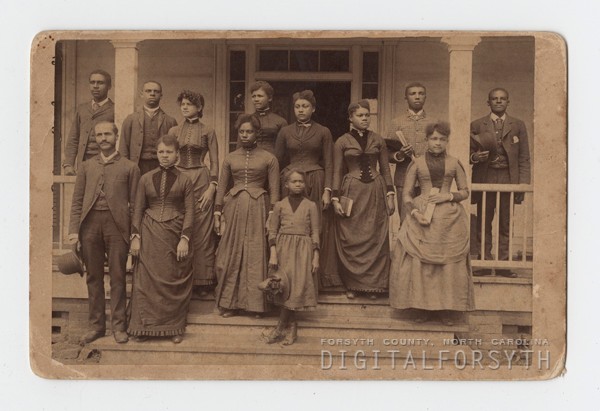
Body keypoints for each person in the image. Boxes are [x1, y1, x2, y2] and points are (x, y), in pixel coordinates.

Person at [389, 121, 475, 325]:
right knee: (421, 264)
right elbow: (407, 194)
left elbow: (465, 191)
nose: (438, 143)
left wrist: (448, 196)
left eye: (442, 139)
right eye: (434, 139)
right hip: (422, 217)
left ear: (447, 141)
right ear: (427, 140)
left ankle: (446, 309)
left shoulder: (454, 163)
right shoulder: (417, 163)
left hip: (449, 219)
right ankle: (421, 307)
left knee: (447, 265)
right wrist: (416, 213)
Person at [67, 121, 140, 344]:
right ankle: (96, 326)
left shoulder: (130, 167)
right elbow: (77, 201)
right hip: (89, 226)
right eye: (99, 135)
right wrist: (73, 231)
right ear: (95, 139)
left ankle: (119, 326)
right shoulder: (87, 166)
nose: (103, 138)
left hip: (117, 226)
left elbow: (137, 204)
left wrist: (135, 233)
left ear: (116, 136)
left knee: (118, 277)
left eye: (107, 134)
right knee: (93, 277)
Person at [128, 135, 195, 344]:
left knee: (171, 278)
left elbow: (191, 211)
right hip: (149, 233)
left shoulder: (185, 180)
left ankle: (173, 328)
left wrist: (184, 238)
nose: (164, 156)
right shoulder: (145, 178)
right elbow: (138, 209)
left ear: (177, 154)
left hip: (174, 234)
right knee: (145, 281)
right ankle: (143, 328)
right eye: (160, 152)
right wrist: (136, 237)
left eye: (169, 152)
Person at [214, 114, 280, 317]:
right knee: (231, 252)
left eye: (249, 131)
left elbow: (275, 190)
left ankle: (255, 305)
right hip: (233, 208)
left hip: (259, 207)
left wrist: (272, 215)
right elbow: (222, 186)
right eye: (242, 131)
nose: (245, 135)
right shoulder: (230, 157)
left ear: (257, 133)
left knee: (255, 253)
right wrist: (217, 212)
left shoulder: (269, 158)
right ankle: (230, 304)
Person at [274, 90, 341, 288]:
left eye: (305, 106)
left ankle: (318, 278)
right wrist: (278, 186)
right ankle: (289, 276)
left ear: (313, 108)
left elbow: (329, 162)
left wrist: (328, 189)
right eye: (297, 106)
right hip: (291, 180)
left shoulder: (323, 131)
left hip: (316, 180)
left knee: (316, 224)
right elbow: (277, 161)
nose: (301, 110)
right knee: (291, 225)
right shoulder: (285, 131)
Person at [332, 99, 395, 300]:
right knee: (351, 236)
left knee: (375, 234)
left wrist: (390, 194)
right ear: (351, 118)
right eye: (360, 115)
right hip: (352, 191)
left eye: (367, 115)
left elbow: (385, 169)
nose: (364, 118)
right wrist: (335, 198)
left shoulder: (378, 140)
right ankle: (352, 285)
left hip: (375, 191)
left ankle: (373, 286)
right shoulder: (341, 141)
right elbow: (336, 171)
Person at [470, 88, 531, 278]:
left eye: (502, 99)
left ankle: (504, 263)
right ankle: (484, 261)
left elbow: (524, 157)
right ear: (488, 102)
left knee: (505, 222)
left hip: (508, 177)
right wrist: (474, 157)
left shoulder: (518, 125)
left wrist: (523, 184)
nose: (498, 101)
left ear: (508, 102)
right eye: (494, 99)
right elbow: (467, 152)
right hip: (485, 176)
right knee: (484, 220)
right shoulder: (477, 124)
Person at [168, 90, 219, 294]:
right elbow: (168, 157)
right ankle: (179, 277)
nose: (185, 107)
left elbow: (215, 161)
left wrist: (212, 187)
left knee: (201, 228)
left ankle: (202, 281)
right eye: (183, 104)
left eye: (190, 104)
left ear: (199, 107)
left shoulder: (208, 130)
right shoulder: (173, 131)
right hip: (179, 176)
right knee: (178, 224)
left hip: (201, 178)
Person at [265, 170, 320, 345]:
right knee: (283, 287)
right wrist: (273, 253)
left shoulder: (311, 205)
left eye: (301, 182)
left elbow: (315, 232)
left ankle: (281, 328)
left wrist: (316, 256)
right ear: (286, 184)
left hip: (303, 251)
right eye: (294, 181)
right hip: (283, 250)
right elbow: (272, 231)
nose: (298, 184)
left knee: (296, 289)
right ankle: (289, 327)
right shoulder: (280, 205)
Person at [385, 82, 429, 221]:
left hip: (428, 179)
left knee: (427, 219)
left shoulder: (433, 122)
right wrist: (400, 154)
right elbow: (387, 153)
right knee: (406, 221)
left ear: (425, 97)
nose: (417, 97)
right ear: (406, 97)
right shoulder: (396, 123)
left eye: (421, 93)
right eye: (412, 94)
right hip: (404, 178)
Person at [119, 81, 178, 176]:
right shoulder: (131, 119)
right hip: (137, 166)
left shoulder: (170, 121)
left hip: (161, 166)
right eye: (148, 91)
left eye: (156, 91)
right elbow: (123, 148)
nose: (152, 94)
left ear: (161, 95)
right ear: (142, 94)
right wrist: (125, 169)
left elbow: (175, 148)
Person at [63, 69, 114, 175]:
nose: (95, 86)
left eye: (100, 83)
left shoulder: (114, 109)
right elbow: (73, 138)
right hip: (84, 163)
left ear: (109, 86)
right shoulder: (82, 109)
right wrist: (68, 164)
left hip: (106, 163)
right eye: (92, 82)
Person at [244, 81, 287, 154]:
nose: (256, 99)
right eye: (253, 96)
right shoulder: (246, 120)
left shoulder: (280, 121)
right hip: (250, 160)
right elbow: (239, 147)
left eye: (260, 96)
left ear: (269, 98)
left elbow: (284, 150)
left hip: (272, 160)